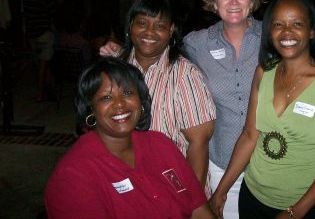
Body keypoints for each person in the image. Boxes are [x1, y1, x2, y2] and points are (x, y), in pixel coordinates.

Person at [209, 0, 315, 219]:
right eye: (278, 24)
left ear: (311, 31)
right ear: (270, 32)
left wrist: (294, 212)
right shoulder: (264, 72)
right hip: (253, 196)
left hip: (305, 205)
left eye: (297, 24)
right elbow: (250, 135)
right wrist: (221, 190)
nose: (287, 32)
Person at [45, 57, 214, 218]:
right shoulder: (73, 175)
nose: (120, 104)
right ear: (91, 109)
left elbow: (199, 211)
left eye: (127, 93)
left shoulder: (161, 144)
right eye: (106, 97)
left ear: (141, 100)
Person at [99, 0, 216, 195]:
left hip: (172, 186)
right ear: (130, 26)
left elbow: (199, 144)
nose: (149, 32)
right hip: (127, 180)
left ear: (171, 31)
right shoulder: (116, 68)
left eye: (160, 26)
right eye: (142, 23)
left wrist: (190, 201)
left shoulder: (185, 75)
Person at [182, 0, 267, 218]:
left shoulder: (271, 37)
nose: (233, 2)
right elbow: (158, 56)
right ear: (213, 0)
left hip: (270, 160)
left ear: (252, 1)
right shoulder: (197, 43)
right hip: (222, 161)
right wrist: (119, 51)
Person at [20, 0, 56, 101]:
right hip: (43, 32)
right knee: (44, 63)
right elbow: (52, 12)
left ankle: (48, 87)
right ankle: (40, 94)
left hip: (31, 32)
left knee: (39, 62)